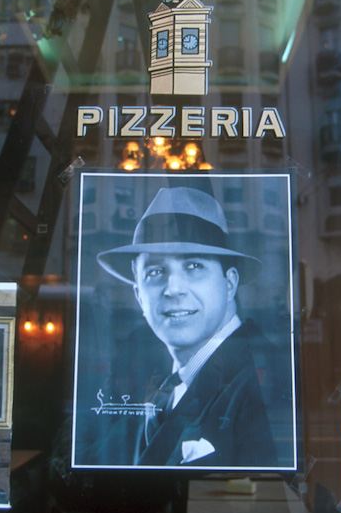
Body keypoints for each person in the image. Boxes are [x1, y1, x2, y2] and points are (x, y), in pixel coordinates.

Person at [82, 186, 282, 468]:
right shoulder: (167, 382)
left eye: (194, 266)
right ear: (139, 295)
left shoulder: (264, 380)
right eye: (155, 272)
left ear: (229, 284)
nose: (173, 289)